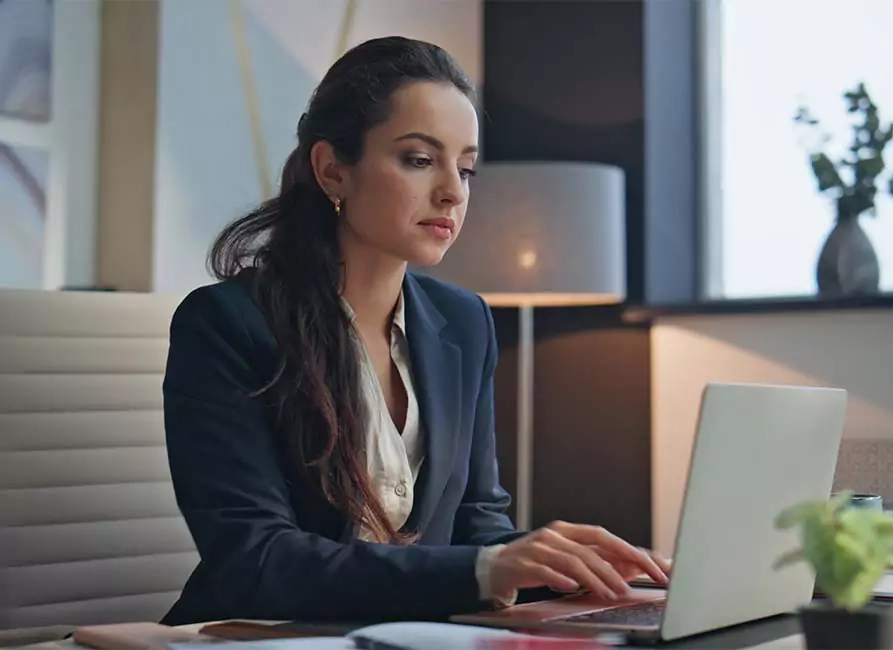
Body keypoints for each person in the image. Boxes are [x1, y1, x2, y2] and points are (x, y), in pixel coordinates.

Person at [160, 35, 670, 626]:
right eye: (419, 160)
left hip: (406, 636)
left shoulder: (465, 321)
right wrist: (487, 568)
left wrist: (582, 567)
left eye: (467, 166)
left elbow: (478, 526)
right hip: (253, 638)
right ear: (333, 170)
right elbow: (256, 561)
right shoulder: (227, 325)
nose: (454, 190)